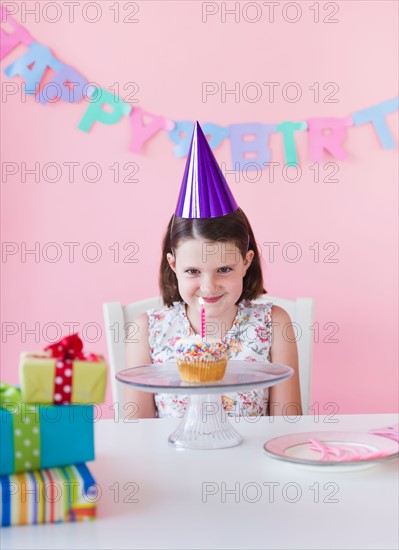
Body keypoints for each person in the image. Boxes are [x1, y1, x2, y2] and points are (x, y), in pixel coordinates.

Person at [125, 122, 302, 419]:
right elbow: (134, 432)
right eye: (193, 271)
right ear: (173, 265)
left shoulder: (274, 324)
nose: (208, 287)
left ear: (246, 261)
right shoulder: (146, 331)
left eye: (223, 269)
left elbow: (286, 427)